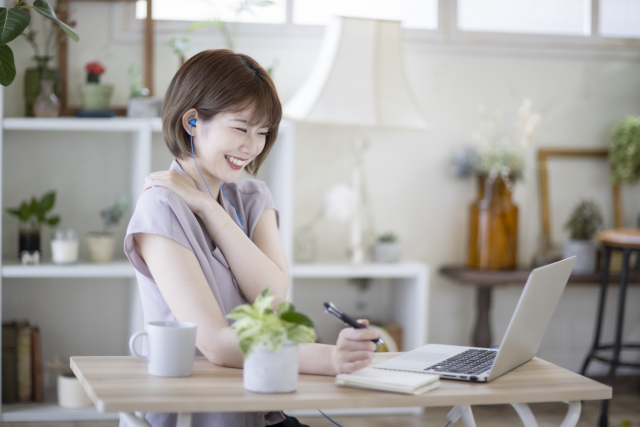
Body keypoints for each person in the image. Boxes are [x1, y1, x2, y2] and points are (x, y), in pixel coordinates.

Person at [122, 49, 380, 427]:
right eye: (241, 128)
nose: (252, 146)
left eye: (263, 133)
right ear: (192, 122)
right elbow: (216, 344)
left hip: (264, 408)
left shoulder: (252, 197)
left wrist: (210, 209)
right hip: (206, 416)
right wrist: (329, 359)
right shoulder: (159, 209)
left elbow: (272, 296)